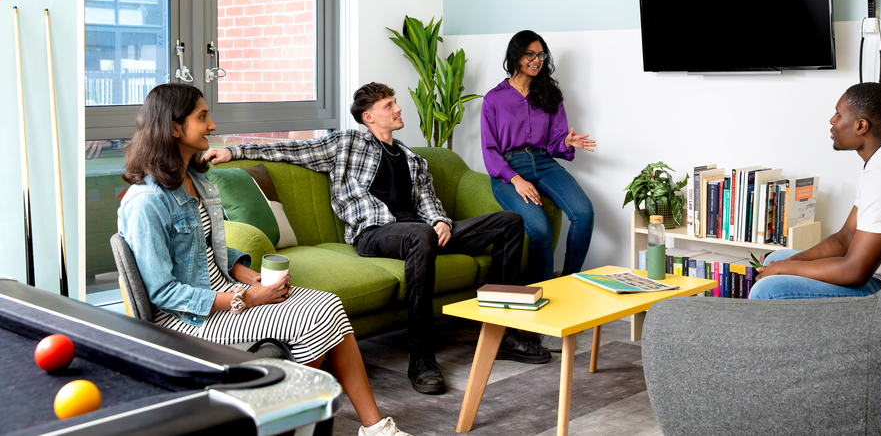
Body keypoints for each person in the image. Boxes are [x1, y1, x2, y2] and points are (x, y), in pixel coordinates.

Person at [203, 82, 549, 396]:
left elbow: (429, 203)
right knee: (420, 234)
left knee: (509, 222)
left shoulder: (413, 160)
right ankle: (421, 357)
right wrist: (233, 152)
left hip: (420, 231)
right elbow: (292, 150)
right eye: (389, 105)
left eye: (395, 103)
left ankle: (505, 331)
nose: (398, 109)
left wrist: (442, 222)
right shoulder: (347, 144)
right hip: (374, 234)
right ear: (369, 117)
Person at [117, 84, 414, 436]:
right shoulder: (146, 202)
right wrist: (241, 299)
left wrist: (249, 276)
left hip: (227, 293)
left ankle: (374, 428)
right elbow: (162, 292)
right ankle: (279, 422)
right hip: (189, 320)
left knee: (329, 304)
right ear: (173, 127)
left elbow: (210, 249)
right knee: (315, 319)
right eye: (202, 117)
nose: (212, 126)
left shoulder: (197, 179)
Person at [749, 82, 881, 300]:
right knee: (774, 259)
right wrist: (785, 265)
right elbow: (843, 239)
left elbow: (854, 272)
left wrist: (782, 270)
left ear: (861, 126)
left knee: (767, 289)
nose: (832, 121)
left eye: (838, 114)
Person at [481, 30, 597, 283]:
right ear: (516, 57)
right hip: (509, 168)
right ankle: (542, 293)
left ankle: (568, 280)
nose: (537, 60)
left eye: (541, 55)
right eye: (530, 54)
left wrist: (565, 140)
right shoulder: (493, 99)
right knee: (540, 229)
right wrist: (515, 179)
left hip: (544, 162)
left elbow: (555, 144)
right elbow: (489, 150)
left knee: (584, 212)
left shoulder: (550, 95)